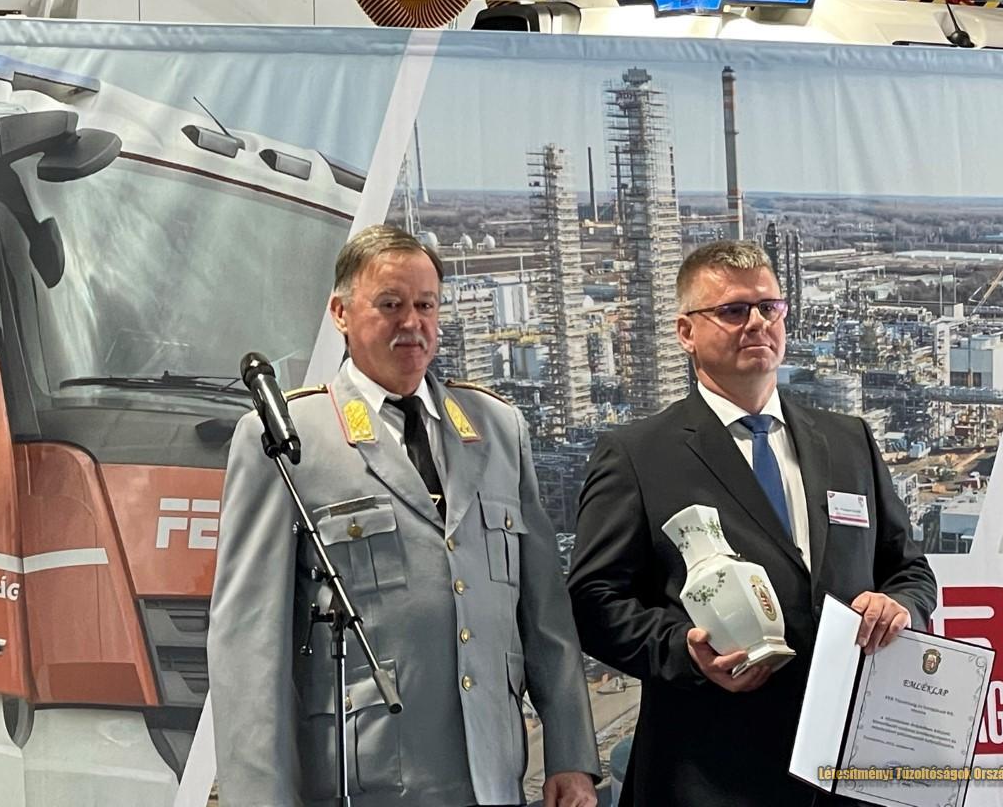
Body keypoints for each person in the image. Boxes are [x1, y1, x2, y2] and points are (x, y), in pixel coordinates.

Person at [209, 224, 600, 807]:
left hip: (491, 781)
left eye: (425, 305)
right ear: (340, 313)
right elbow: (247, 646)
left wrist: (571, 756)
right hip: (365, 782)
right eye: (390, 305)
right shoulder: (288, 439)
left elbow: (545, 615)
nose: (412, 322)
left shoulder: (496, 428)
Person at [568, 239, 937, 806]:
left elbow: (909, 569)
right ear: (686, 332)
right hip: (712, 777)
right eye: (734, 310)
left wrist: (901, 606)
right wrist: (683, 651)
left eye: (769, 307)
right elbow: (594, 600)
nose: (757, 323)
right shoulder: (640, 456)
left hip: (849, 772)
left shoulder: (848, 441)